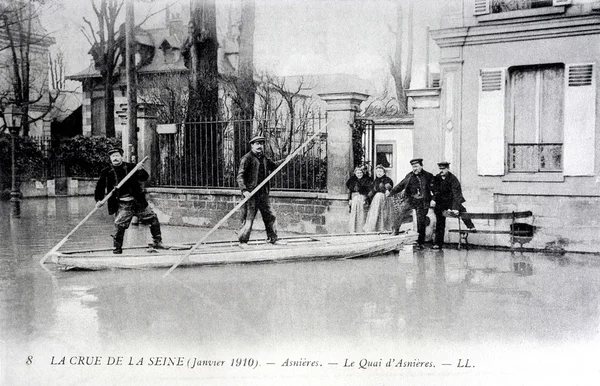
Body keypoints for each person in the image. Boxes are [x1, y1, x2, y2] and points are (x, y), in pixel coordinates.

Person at [94, 147, 165, 254]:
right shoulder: (106, 171)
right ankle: (117, 250)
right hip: (122, 204)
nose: (115, 158)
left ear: (121, 156)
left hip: (137, 201)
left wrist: (140, 170)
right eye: (113, 156)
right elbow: (100, 187)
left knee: (152, 219)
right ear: (110, 158)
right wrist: (99, 200)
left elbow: (144, 178)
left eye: (117, 156)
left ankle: (157, 242)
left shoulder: (132, 167)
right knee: (119, 225)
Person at [237, 134, 284, 245]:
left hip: (263, 194)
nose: (260, 146)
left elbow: (274, 166)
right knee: (249, 219)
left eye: (261, 144)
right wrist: (244, 190)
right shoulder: (246, 158)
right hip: (251, 194)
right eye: (257, 144)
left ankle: (272, 239)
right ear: (252, 145)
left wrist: (286, 160)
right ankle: (243, 241)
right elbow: (240, 176)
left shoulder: (264, 158)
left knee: (270, 216)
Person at [389, 158, 434, 249]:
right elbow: (400, 185)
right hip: (411, 200)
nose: (415, 169)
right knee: (400, 210)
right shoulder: (409, 176)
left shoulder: (428, 176)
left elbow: (436, 190)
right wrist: (391, 193)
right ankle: (395, 230)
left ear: (421, 166)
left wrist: (434, 199)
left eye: (416, 166)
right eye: (413, 167)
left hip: (423, 201)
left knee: (421, 220)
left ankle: (420, 242)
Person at [431, 161, 476, 250]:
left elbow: (457, 194)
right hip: (441, 202)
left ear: (448, 169)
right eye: (440, 169)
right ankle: (438, 243)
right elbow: (435, 191)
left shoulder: (453, 179)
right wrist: (433, 199)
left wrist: (455, 208)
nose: (441, 171)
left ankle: (471, 226)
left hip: (452, 201)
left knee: (462, 210)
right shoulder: (437, 178)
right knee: (440, 222)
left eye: (443, 169)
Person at [364, 165, 394, 232]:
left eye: (380, 171)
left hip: (384, 198)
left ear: (384, 172)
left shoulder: (387, 179)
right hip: (376, 199)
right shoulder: (375, 181)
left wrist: (387, 190)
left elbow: (388, 186)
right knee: (375, 212)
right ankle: (375, 227)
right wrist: (368, 198)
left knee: (384, 212)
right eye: (377, 172)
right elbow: (372, 190)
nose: (379, 173)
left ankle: (383, 227)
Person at [346, 165, 373, 233]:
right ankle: (353, 229)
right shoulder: (352, 180)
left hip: (362, 197)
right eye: (358, 173)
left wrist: (366, 199)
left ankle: (361, 229)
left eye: (360, 173)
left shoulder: (367, 180)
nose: (359, 174)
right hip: (354, 197)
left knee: (362, 213)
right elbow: (350, 191)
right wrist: (350, 199)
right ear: (355, 173)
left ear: (363, 173)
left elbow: (369, 191)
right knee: (354, 212)